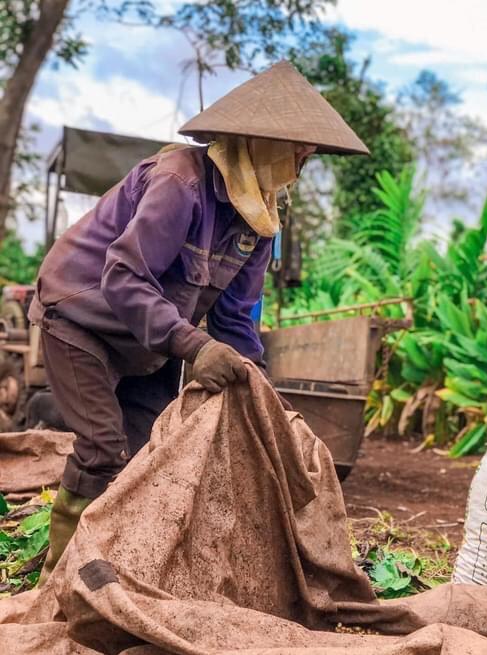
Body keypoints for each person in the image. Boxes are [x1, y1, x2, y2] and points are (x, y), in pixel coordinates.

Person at [30, 60, 368, 581]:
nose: (305, 158)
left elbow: (234, 320)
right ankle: (62, 579)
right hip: (82, 319)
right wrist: (195, 347)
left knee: (147, 457)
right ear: (256, 142)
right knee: (104, 449)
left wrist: (256, 389)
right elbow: (123, 278)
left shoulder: (259, 219)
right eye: (296, 147)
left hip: (150, 342)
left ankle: (123, 572)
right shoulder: (179, 183)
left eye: (310, 151)